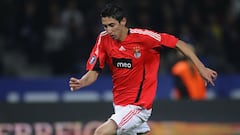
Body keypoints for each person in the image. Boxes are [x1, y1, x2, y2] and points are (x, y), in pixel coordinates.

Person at [69, 3, 217, 135]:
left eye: (112, 25)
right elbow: (94, 71)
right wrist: (82, 82)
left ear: (123, 21)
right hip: (119, 105)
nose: (109, 30)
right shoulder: (103, 39)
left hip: (138, 107)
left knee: (101, 132)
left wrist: (201, 69)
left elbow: (178, 43)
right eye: (105, 26)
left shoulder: (144, 37)